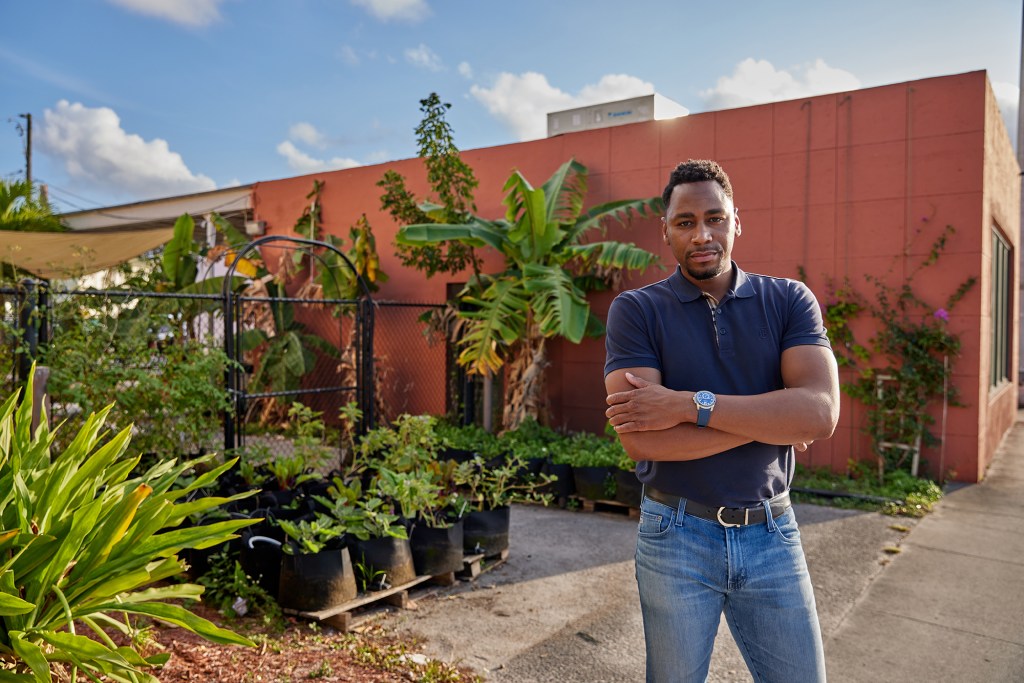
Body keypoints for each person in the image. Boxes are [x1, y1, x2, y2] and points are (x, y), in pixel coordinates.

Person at [603, 159, 840, 683]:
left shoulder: (789, 300)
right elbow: (643, 442)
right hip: (676, 533)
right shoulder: (636, 311)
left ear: (737, 221)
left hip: (772, 531)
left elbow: (819, 413)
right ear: (666, 231)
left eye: (715, 217)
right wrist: (775, 414)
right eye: (685, 222)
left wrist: (690, 406)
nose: (702, 234)